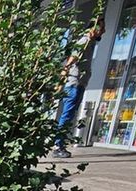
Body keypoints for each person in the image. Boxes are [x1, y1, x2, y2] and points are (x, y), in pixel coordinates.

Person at [52, 22, 104, 159]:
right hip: (74, 84)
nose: (103, 31)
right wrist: (65, 70)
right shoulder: (85, 40)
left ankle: (60, 143)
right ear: (93, 28)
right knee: (67, 115)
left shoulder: (91, 42)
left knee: (70, 115)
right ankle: (58, 145)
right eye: (101, 27)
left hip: (80, 83)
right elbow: (74, 56)